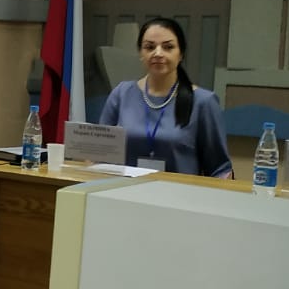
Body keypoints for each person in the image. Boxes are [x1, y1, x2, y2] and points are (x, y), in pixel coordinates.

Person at [98, 16, 232, 178]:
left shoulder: (203, 102)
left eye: (168, 47)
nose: (158, 53)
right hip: (123, 189)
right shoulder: (122, 93)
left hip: (179, 192)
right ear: (141, 53)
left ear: (181, 54)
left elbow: (220, 169)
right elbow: (100, 155)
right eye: (149, 47)